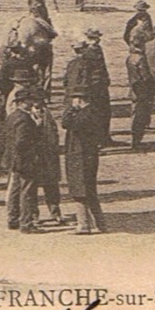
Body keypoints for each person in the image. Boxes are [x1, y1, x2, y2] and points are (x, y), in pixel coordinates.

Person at [4, 89, 50, 232]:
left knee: (15, 190)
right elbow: (22, 142)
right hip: (25, 160)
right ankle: (26, 223)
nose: (32, 103)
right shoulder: (25, 119)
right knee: (28, 192)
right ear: (22, 103)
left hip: (13, 159)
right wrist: (38, 127)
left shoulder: (12, 116)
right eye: (29, 100)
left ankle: (13, 219)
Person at [63, 88, 105, 234]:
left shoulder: (83, 115)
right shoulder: (94, 112)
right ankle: (100, 223)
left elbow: (66, 123)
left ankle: (84, 225)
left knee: (79, 190)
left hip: (79, 156)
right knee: (90, 190)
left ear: (79, 100)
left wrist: (71, 110)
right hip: (90, 155)